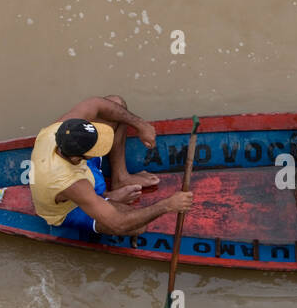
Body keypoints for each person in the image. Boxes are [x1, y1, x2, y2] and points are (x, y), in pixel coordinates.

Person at [29, 94, 192, 236]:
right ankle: (105, 196)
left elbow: (95, 103)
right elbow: (118, 223)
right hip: (70, 206)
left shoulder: (57, 131)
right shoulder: (73, 184)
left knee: (116, 104)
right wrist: (167, 205)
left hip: (80, 173)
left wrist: (140, 124)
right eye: (96, 146)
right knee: (138, 226)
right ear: (77, 158)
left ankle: (121, 178)